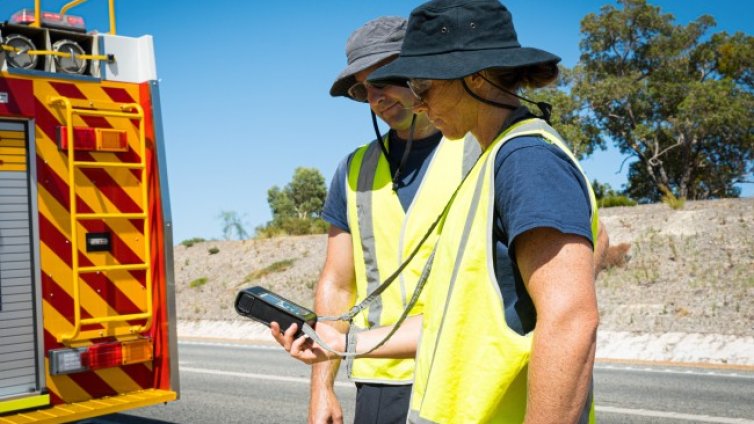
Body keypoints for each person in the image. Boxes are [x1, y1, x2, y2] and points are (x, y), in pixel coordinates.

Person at [273, 1, 605, 422]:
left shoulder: (523, 159)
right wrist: (340, 345)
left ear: (476, 77)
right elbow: (451, 320)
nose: (417, 99)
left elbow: (570, 319)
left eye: (421, 83)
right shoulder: (488, 163)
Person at [307, 16, 480, 424]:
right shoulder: (355, 170)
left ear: (423, 71)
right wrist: (321, 389)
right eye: (364, 90)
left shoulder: (483, 147)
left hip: (465, 373)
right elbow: (337, 283)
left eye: (384, 79)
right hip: (380, 378)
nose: (376, 98)